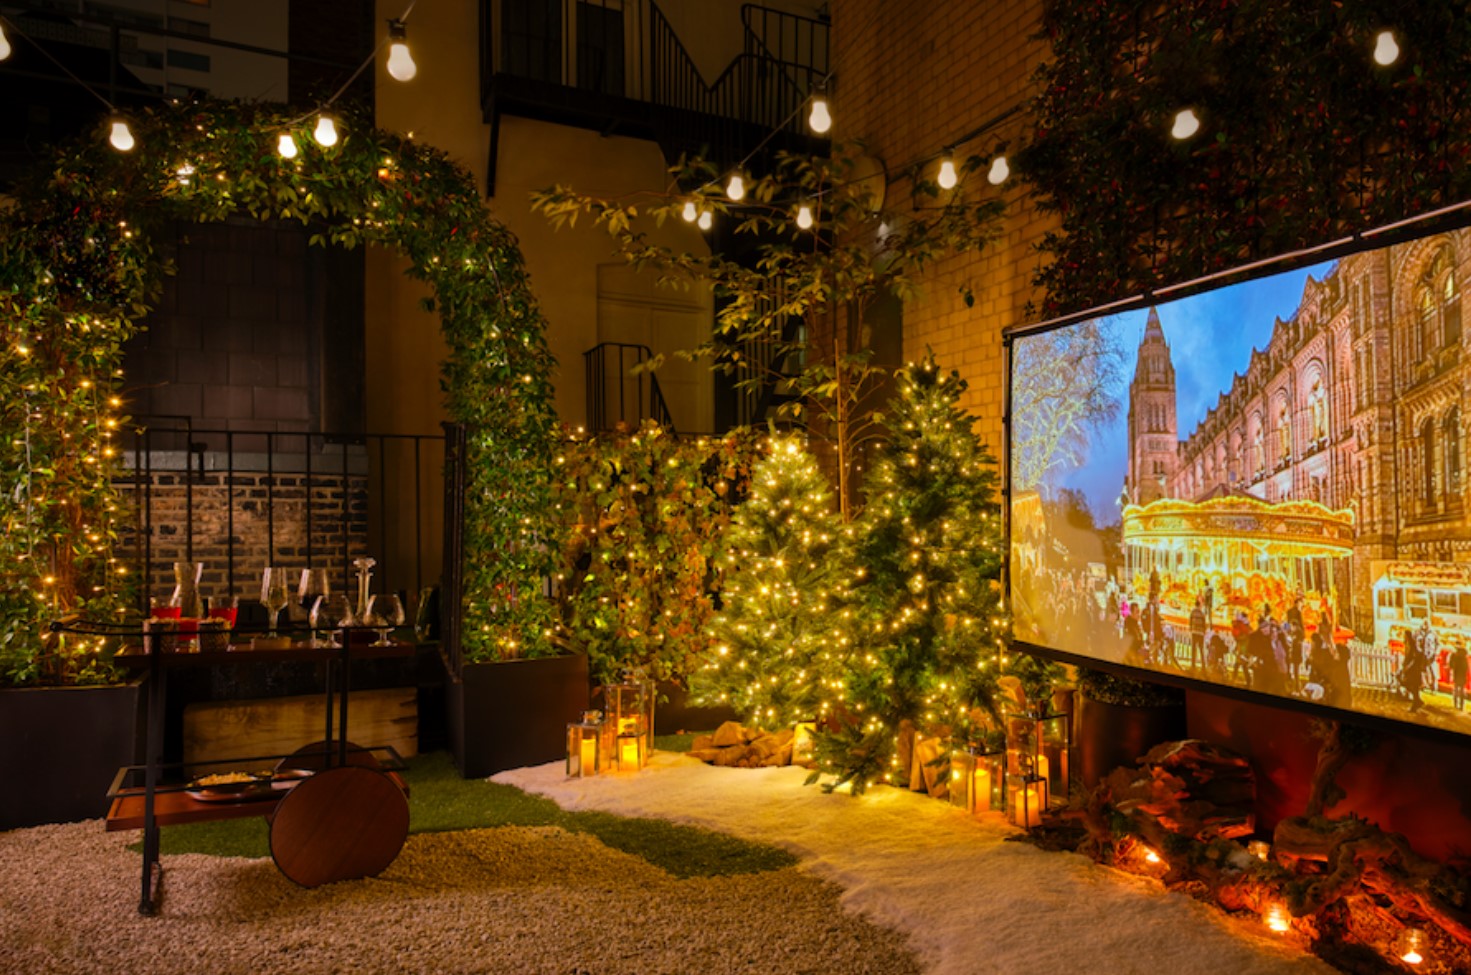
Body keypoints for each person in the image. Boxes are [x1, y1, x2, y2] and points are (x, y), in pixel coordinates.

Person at [1188, 598, 1207, 672]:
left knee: (1193, 649)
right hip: (1200, 633)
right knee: (1201, 650)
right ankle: (1203, 666)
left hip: (1194, 632)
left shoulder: (1192, 612)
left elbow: (1190, 622)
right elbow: (1204, 624)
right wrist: (1204, 631)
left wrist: (1191, 629)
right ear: (1199, 605)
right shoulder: (1202, 613)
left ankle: (1193, 665)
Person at [1450, 638, 1469, 712]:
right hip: (1462, 674)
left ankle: (1455, 704)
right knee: (1461, 690)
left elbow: (1451, 665)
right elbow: (1466, 667)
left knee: (1456, 689)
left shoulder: (1454, 654)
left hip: (1456, 673)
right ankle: (1461, 706)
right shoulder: (1464, 655)